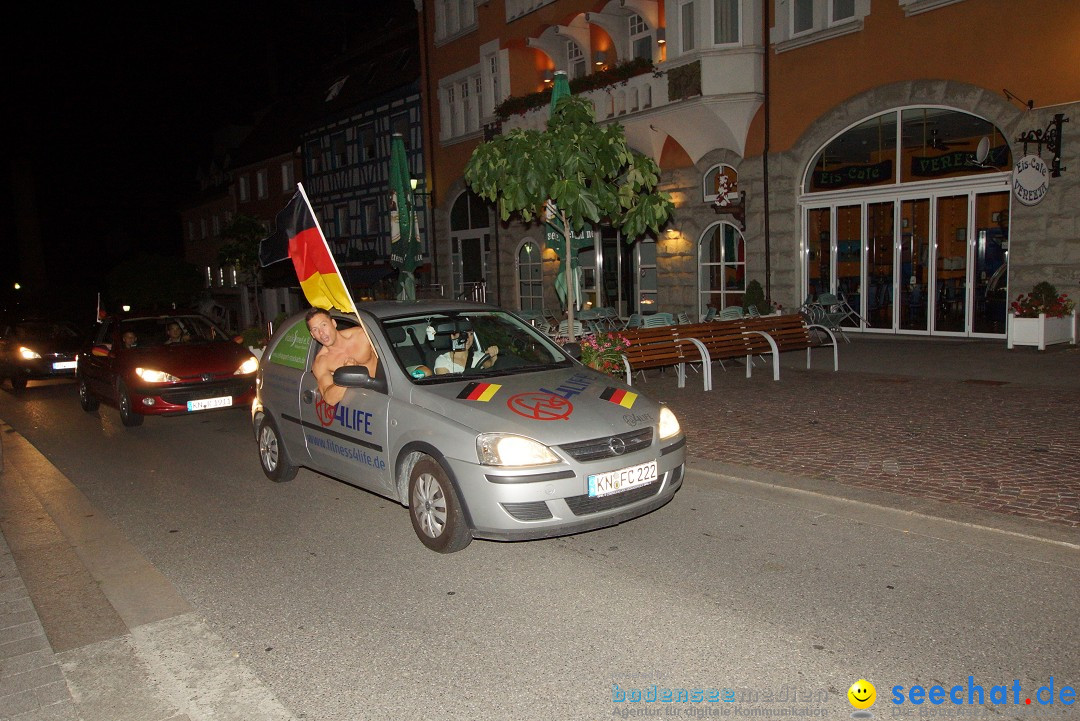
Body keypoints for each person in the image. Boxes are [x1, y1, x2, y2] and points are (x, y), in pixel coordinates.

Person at [307, 308, 379, 406]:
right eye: (315, 329)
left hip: (386, 393)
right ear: (312, 335)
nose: (321, 332)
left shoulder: (362, 335)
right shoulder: (321, 362)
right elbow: (330, 399)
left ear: (333, 323)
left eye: (324, 325)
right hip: (361, 404)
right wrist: (347, 373)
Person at [434, 330, 498, 375]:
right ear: (452, 336)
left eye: (471, 334)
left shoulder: (479, 356)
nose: (468, 338)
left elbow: (491, 367)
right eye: (463, 335)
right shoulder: (443, 360)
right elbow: (445, 386)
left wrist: (493, 355)